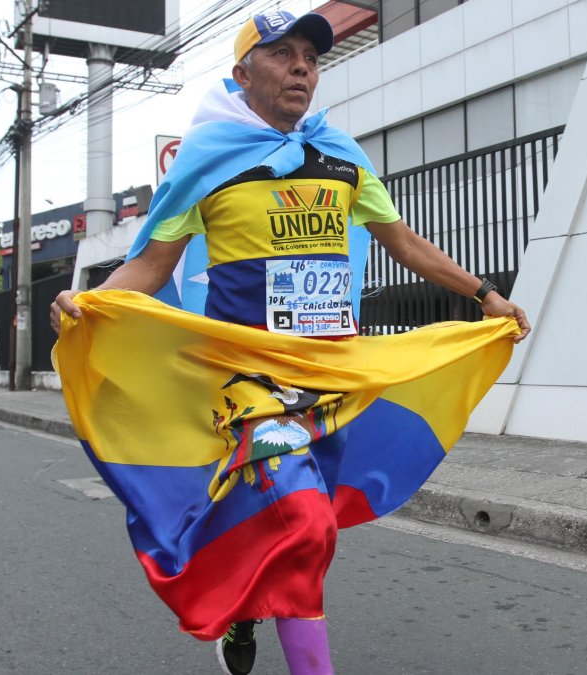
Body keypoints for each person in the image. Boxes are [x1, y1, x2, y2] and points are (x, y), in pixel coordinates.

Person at [51, 10, 529, 675]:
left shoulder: (341, 154)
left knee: (290, 522)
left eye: (310, 54)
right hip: (252, 386)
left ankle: (247, 611)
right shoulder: (207, 156)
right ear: (243, 74)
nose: (302, 65)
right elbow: (152, 266)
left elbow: (404, 242)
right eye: (282, 54)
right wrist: (92, 300)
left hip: (332, 376)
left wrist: (484, 294)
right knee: (305, 522)